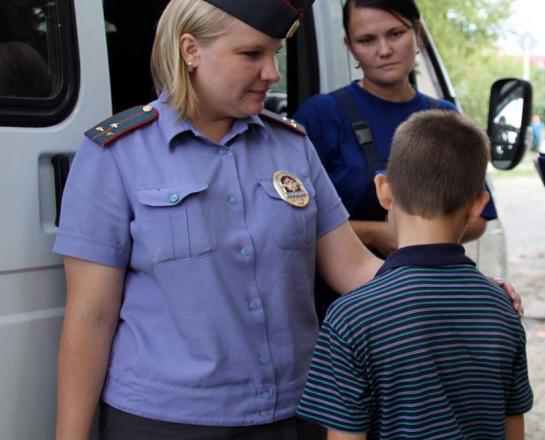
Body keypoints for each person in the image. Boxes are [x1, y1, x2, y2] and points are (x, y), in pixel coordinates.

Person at [53, 1, 384, 438]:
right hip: (165, 422)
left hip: (296, 411)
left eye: (275, 54)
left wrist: (451, 287)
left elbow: (355, 267)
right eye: (252, 55)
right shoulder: (116, 155)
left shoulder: (292, 147)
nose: (272, 73)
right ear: (191, 50)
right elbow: (89, 318)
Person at [296, 110, 533, 440]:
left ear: (384, 191)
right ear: (479, 204)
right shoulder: (501, 309)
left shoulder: (350, 317)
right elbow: (513, 432)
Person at [293, 0, 499, 318]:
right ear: (349, 46)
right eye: (367, 40)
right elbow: (293, 223)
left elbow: (478, 218)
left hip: (428, 306)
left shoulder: (444, 116)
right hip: (340, 309)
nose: (384, 50)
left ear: (416, 32)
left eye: (395, 34)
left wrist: (417, 237)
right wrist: (376, 233)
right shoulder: (320, 116)